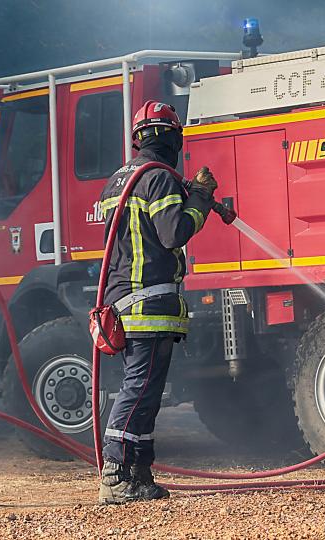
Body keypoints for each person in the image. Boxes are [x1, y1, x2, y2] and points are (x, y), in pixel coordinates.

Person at [97, 101, 218, 504]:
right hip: (147, 303)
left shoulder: (119, 180)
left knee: (146, 392)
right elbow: (173, 233)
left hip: (123, 301)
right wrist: (199, 200)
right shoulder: (159, 179)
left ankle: (138, 471)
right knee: (139, 389)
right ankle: (115, 475)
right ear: (172, 137)